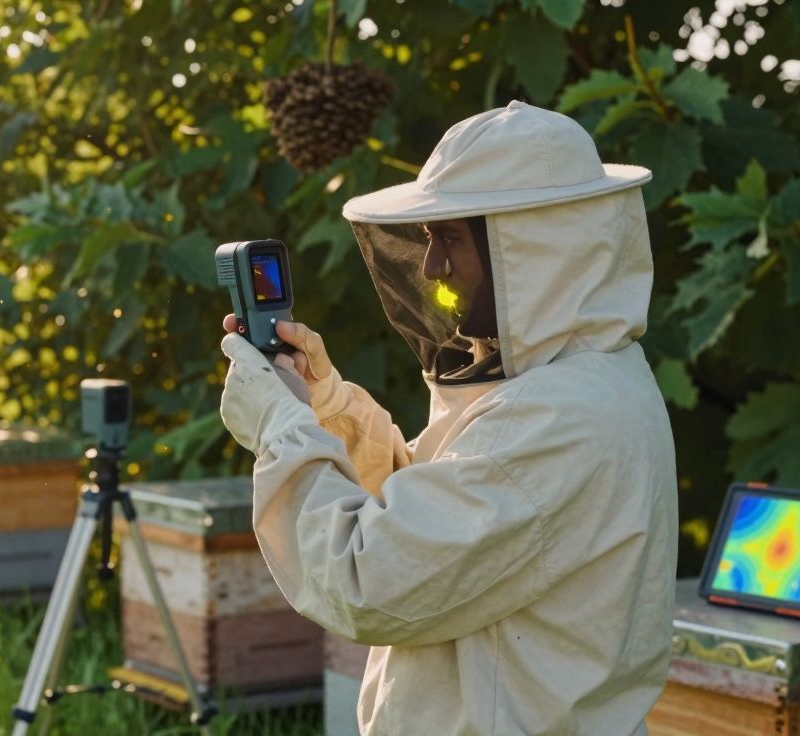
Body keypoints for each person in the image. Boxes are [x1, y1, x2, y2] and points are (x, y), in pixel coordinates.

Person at [218, 100, 678, 735]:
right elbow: (434, 522)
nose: (430, 267)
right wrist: (325, 406)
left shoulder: (558, 418)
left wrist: (279, 427)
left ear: (531, 247)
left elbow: (369, 580)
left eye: (450, 239)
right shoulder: (583, 383)